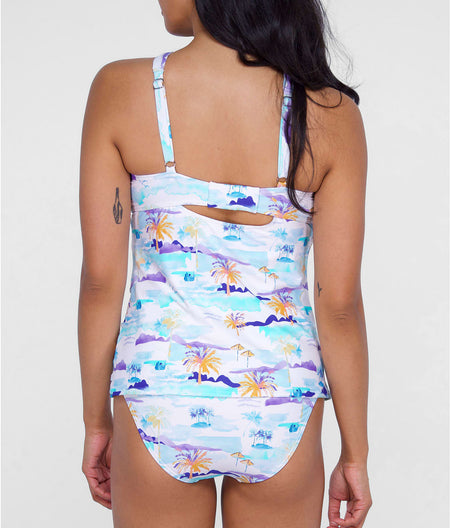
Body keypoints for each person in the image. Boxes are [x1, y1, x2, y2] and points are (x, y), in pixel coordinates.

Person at [78, 1, 372, 526]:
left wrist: (96, 422)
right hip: (279, 405)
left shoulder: (121, 89)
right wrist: (356, 452)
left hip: (159, 399)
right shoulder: (330, 113)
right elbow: (341, 307)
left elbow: (101, 283)